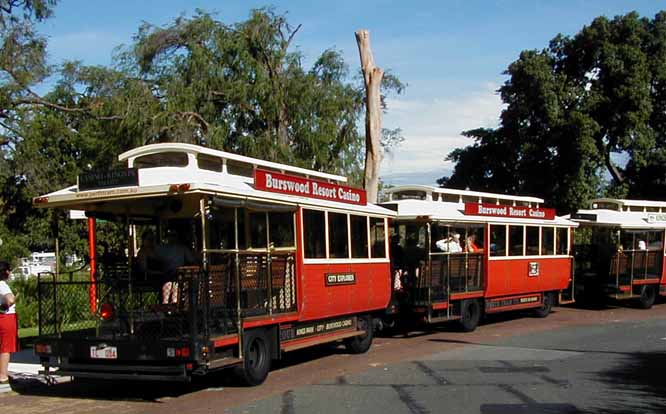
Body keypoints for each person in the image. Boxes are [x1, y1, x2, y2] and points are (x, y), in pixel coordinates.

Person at [154, 228, 196, 304]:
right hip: (165, 274)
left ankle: (174, 303)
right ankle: (166, 304)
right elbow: (156, 259)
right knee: (169, 281)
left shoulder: (182, 248)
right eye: (169, 236)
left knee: (176, 282)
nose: (171, 238)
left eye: (173, 236)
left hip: (178, 275)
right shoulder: (161, 248)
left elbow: (191, 260)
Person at [0, 261, 17, 386]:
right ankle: (3, 376)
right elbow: (10, 299)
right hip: (6, 317)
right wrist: (9, 302)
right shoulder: (2, 285)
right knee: (6, 347)